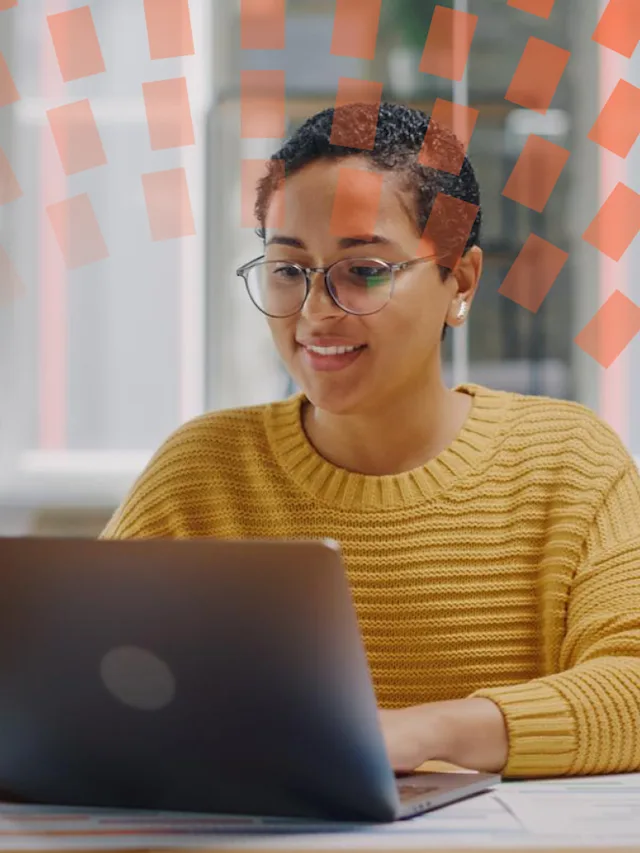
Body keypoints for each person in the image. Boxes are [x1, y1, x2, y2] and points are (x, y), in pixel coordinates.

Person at [101, 102, 640, 779]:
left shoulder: (571, 464)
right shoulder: (201, 474)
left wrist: (415, 734)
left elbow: (633, 685)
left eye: (365, 271)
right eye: (288, 270)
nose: (316, 311)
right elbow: (75, 682)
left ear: (460, 282)